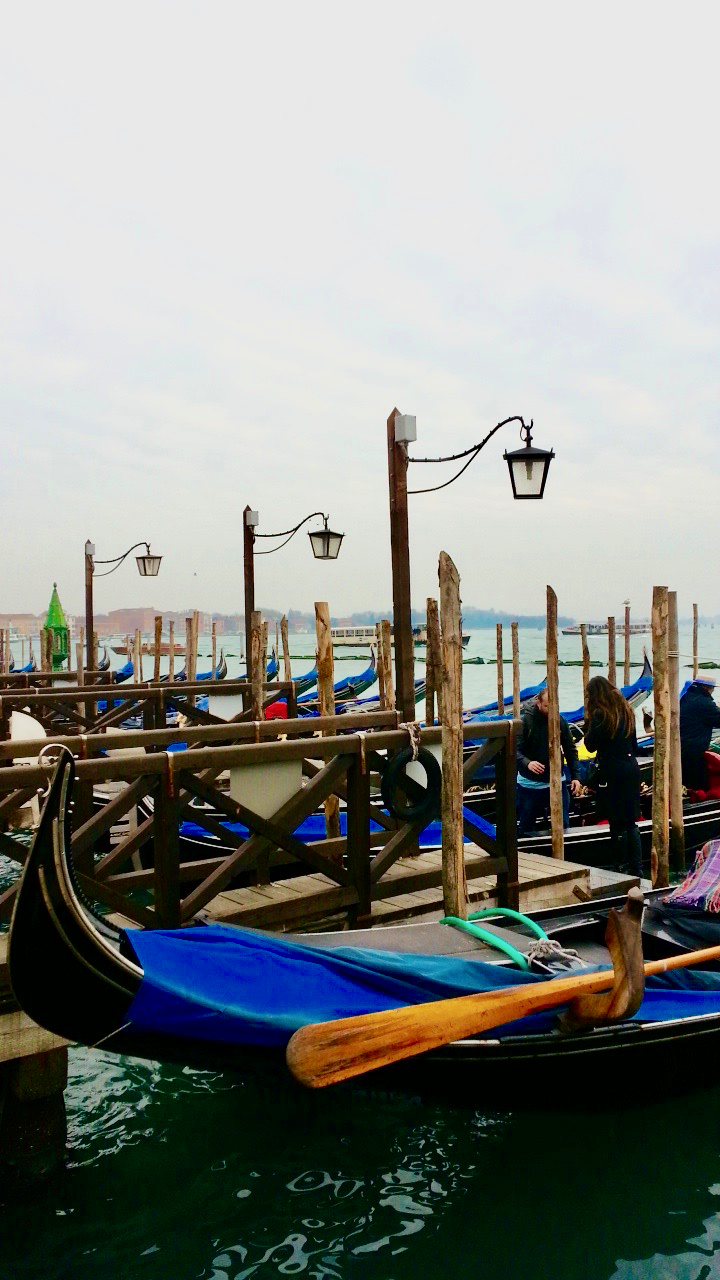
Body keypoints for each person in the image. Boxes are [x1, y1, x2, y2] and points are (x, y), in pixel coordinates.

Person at [584, 675, 642, 877]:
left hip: (612, 772)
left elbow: (589, 745)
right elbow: (634, 746)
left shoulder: (600, 715)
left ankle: (620, 867)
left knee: (616, 823)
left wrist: (588, 723)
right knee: (630, 822)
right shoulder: (627, 711)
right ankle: (637, 868)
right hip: (630, 768)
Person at [516, 689, 581, 836]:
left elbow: (570, 749)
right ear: (538, 703)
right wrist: (527, 763)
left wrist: (576, 776)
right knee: (526, 826)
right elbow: (515, 751)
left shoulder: (560, 721)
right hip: (530, 784)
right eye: (547, 706)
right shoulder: (526, 721)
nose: (551, 710)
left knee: (564, 825)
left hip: (557, 781)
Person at [679, 675, 720, 791]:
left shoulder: (686, 697)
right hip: (693, 750)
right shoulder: (704, 703)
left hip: (682, 746)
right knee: (697, 784)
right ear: (707, 688)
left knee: (686, 781)